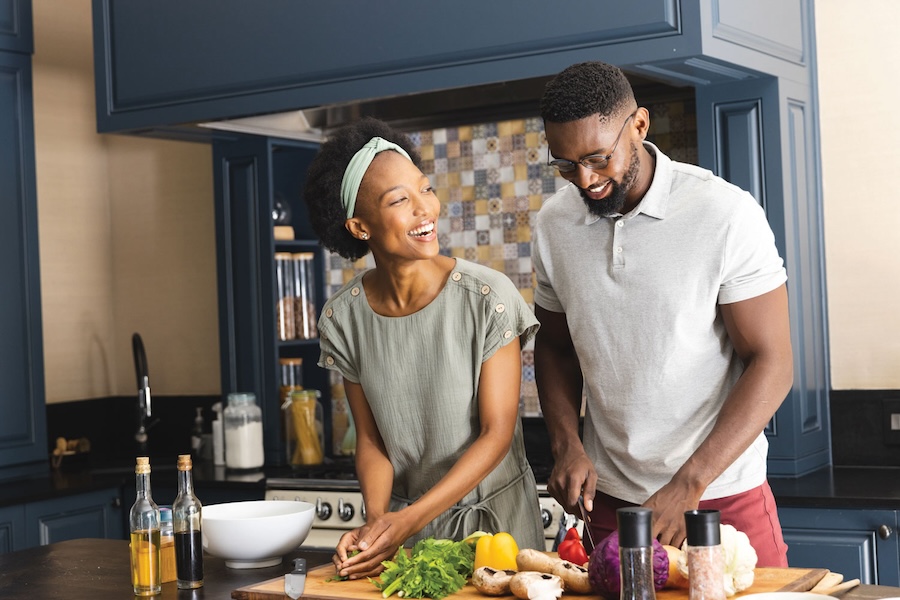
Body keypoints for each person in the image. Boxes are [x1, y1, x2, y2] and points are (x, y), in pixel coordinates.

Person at [532, 61, 793, 566]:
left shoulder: (724, 214)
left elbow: (772, 361)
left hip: (719, 496)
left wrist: (689, 483)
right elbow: (556, 347)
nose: (584, 181)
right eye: (565, 165)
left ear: (640, 126)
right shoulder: (553, 224)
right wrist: (566, 443)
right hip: (609, 504)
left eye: (597, 158)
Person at [304, 117, 545, 579]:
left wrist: (406, 520)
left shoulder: (488, 298)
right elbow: (372, 441)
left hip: (497, 532)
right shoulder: (343, 319)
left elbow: (497, 433)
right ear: (359, 226)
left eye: (425, 189)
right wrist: (377, 524)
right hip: (408, 540)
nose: (425, 208)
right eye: (400, 200)